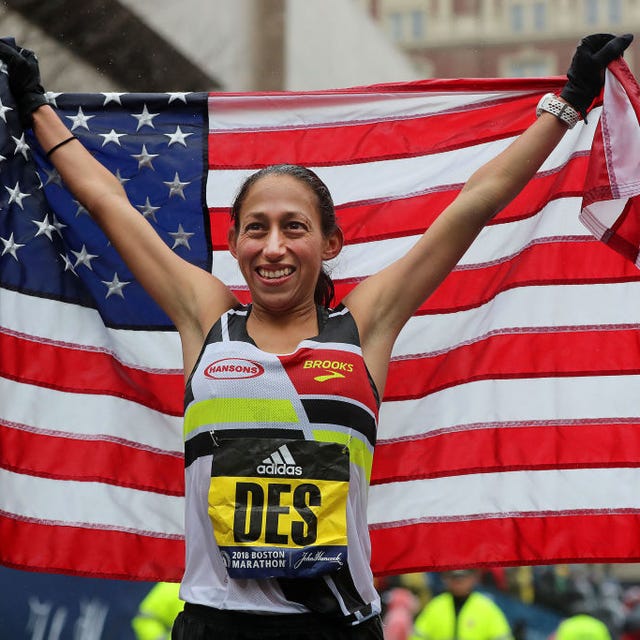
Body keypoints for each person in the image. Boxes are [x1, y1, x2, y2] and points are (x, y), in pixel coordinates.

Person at [0, 32, 633, 640]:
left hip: (334, 627)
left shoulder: (364, 327)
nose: (273, 247)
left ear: (329, 244)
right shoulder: (206, 318)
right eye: (256, 228)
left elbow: (475, 201)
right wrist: (36, 108)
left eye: (294, 227)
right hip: (214, 624)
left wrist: (569, 103)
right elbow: (110, 202)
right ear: (234, 243)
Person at [410, 570, 512, 640]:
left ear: (473, 578)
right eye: (454, 577)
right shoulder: (435, 606)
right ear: (446, 579)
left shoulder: (486, 607)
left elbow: (502, 637)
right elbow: (418, 636)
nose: (459, 582)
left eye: (463, 577)